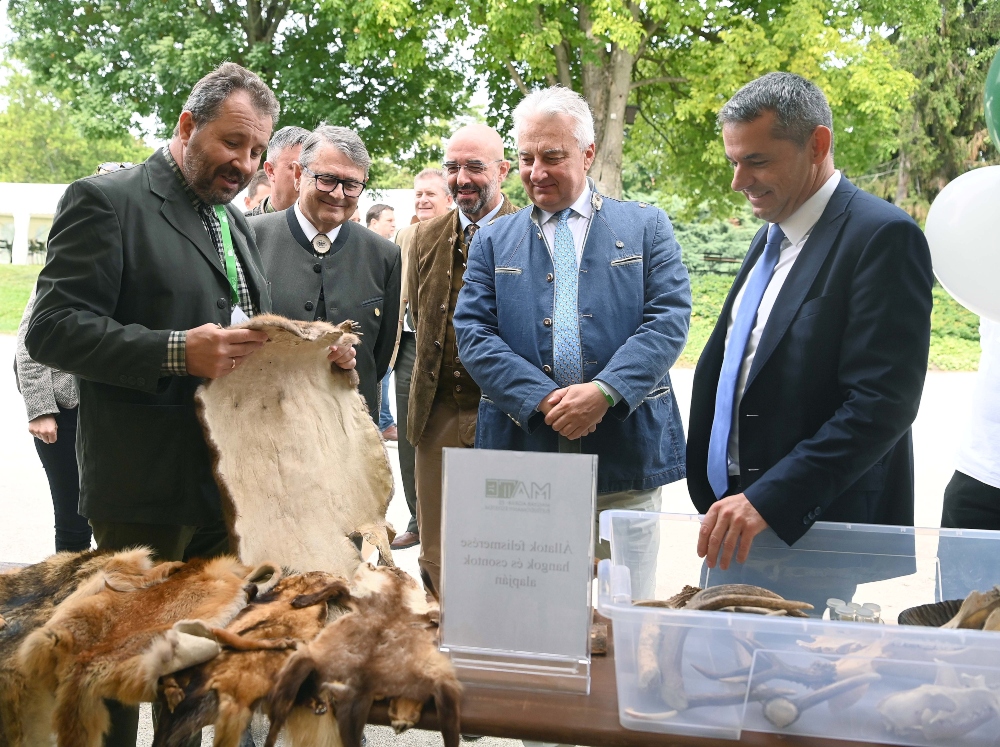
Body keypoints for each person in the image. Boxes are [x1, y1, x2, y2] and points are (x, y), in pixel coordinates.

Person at [25, 62, 352, 746]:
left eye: (257, 150)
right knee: (119, 671)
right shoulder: (107, 200)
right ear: (186, 126)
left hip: (224, 488)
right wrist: (176, 350)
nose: (245, 162)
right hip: (142, 485)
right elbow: (52, 328)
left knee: (195, 668)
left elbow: (239, 331)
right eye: (232, 142)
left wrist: (307, 355)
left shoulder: (230, 221)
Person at [687, 73, 933, 576]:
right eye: (734, 162)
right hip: (733, 514)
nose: (739, 182)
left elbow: (882, 404)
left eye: (756, 161)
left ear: (817, 144)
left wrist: (769, 499)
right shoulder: (772, 231)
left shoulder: (883, 236)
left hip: (808, 526)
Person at [454, 90, 691, 602]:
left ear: (586, 154)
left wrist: (605, 391)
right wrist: (543, 399)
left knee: (625, 607)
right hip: (526, 451)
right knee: (531, 605)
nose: (536, 171)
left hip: (626, 451)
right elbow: (472, 332)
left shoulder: (646, 227)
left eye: (552, 157)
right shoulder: (493, 240)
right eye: (525, 158)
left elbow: (668, 319)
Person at [405, 125, 519, 594]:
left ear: (502, 171)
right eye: (452, 167)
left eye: (475, 166)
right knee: (437, 554)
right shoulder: (422, 237)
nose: (461, 178)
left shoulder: (532, 230)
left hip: (510, 416)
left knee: (506, 550)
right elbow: (417, 318)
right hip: (438, 414)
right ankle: (439, 652)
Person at [249, 125, 400, 426]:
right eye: (327, 179)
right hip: (264, 427)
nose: (338, 194)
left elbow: (378, 357)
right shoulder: (250, 238)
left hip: (350, 435)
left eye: (351, 184)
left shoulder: (384, 255)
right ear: (297, 175)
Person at [389, 168, 454, 552]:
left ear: (449, 199)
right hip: (409, 348)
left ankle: (448, 520)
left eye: (430, 194)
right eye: (417, 194)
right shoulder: (405, 236)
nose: (422, 200)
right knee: (410, 437)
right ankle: (418, 519)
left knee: (445, 433)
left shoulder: (463, 234)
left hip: (448, 351)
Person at [16, 288, 91, 553]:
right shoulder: (68, 259)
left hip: (118, 410)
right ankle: (68, 591)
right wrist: (40, 409)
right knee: (73, 520)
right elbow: (29, 341)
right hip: (65, 412)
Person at [367, 204, 400, 439]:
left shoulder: (391, 251)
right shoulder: (362, 251)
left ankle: (384, 421)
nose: (394, 225)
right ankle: (384, 423)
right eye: (389, 220)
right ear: (374, 222)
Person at [247, 125, 309, 215]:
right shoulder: (241, 227)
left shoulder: (331, 225)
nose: (305, 177)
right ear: (270, 170)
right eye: (295, 168)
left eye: (310, 169)